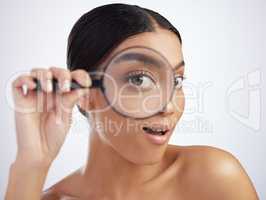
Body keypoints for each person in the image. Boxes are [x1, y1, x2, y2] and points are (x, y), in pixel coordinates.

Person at [5, 3, 258, 200]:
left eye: (177, 81)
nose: (168, 106)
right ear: (84, 94)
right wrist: (31, 164)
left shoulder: (213, 177)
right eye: (139, 80)